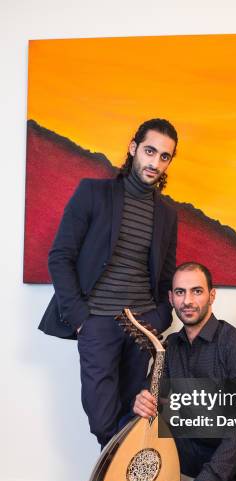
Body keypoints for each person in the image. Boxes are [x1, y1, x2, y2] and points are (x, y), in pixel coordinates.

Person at [39, 118, 179, 448]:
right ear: (133, 148)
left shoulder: (168, 214)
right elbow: (60, 257)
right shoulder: (93, 193)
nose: (155, 162)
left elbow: (166, 277)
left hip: (143, 324)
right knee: (102, 415)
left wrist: (159, 319)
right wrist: (81, 321)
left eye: (164, 156)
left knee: (136, 409)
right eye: (150, 151)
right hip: (97, 321)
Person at [133, 262, 236, 481]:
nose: (187, 301)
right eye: (180, 292)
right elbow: (155, 395)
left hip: (227, 449)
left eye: (196, 291)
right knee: (134, 423)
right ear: (171, 298)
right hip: (189, 443)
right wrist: (143, 400)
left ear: (212, 295)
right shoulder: (169, 346)